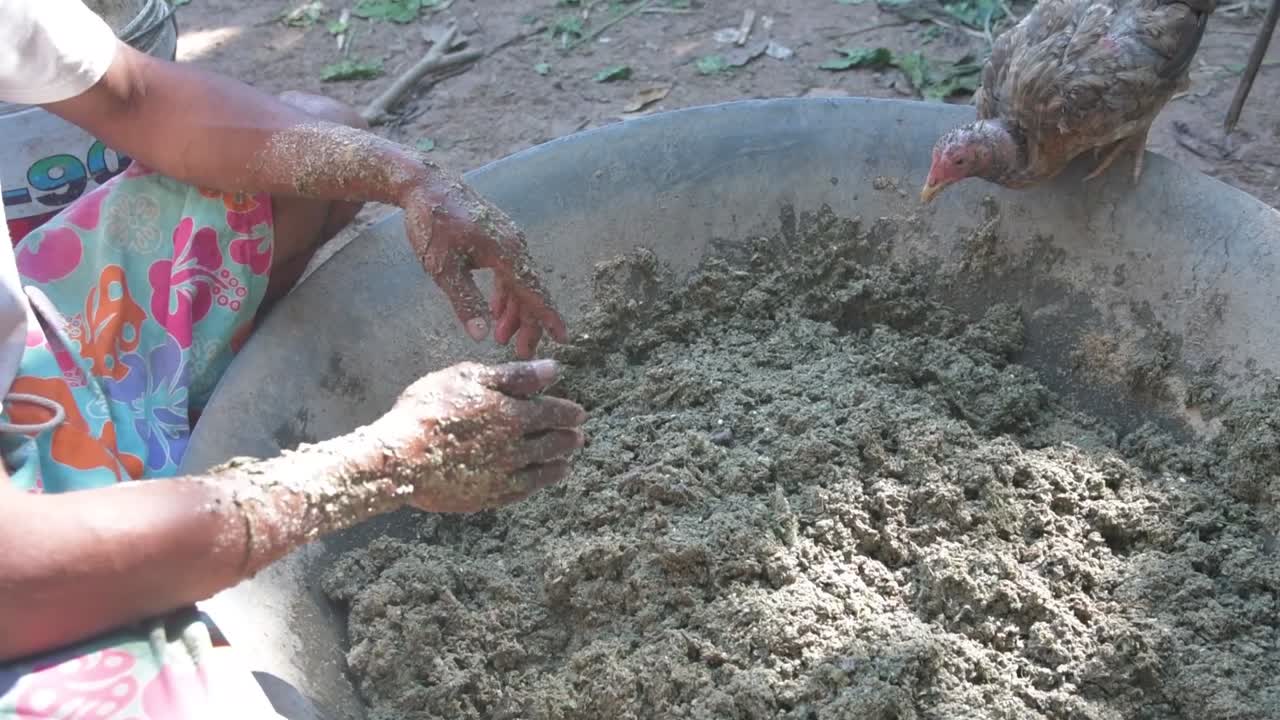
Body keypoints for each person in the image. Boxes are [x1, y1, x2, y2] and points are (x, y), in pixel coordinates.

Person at [0, 0, 588, 717]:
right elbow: (14, 582)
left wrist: (405, 177)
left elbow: (135, 94)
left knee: (315, 150)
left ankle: (159, 456)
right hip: (21, 582)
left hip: (26, 372)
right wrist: (382, 463)